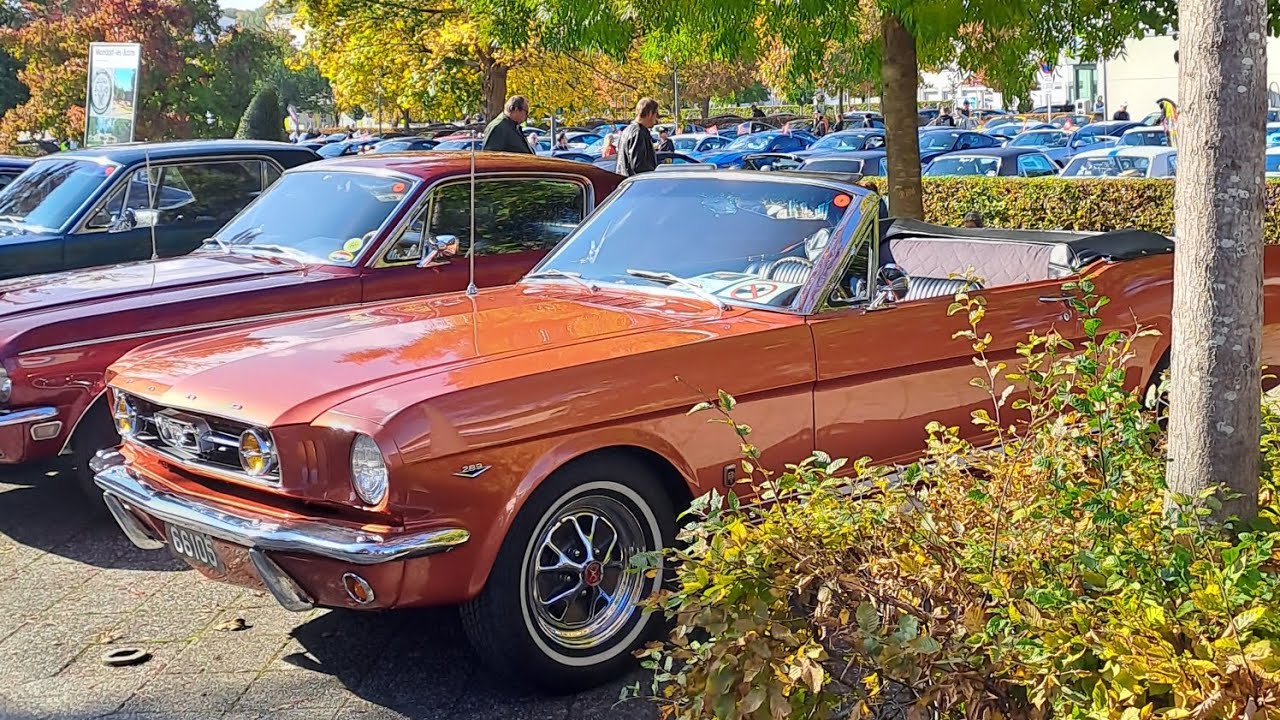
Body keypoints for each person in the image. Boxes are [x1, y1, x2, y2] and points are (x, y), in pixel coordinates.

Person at [617, 97, 659, 177]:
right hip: (638, 183)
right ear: (650, 113)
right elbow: (638, 165)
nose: (656, 118)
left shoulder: (627, 130)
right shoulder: (638, 133)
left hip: (626, 181)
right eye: (656, 114)